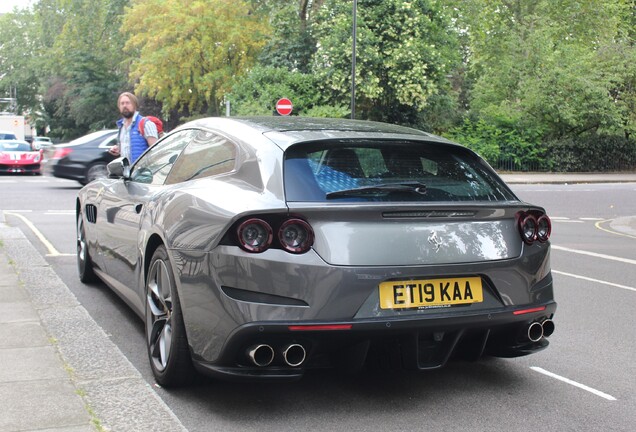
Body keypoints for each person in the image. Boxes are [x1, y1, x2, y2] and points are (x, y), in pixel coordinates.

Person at [109, 92, 158, 163]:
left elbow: (156, 150)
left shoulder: (145, 124)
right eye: (122, 103)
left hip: (143, 171)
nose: (125, 106)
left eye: (128, 103)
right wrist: (118, 149)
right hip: (128, 171)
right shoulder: (121, 126)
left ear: (134, 105)